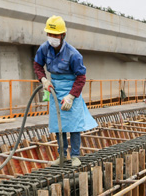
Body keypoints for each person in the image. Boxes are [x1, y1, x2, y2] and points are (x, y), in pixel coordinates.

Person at [33, 16, 98, 168]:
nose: (52, 38)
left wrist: (71, 96)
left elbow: (81, 77)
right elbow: (37, 65)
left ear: (62, 35)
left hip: (71, 89)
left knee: (74, 126)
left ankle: (75, 156)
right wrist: (43, 80)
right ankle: (62, 156)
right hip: (54, 88)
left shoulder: (73, 54)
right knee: (58, 125)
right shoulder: (44, 48)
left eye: (55, 35)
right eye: (50, 34)